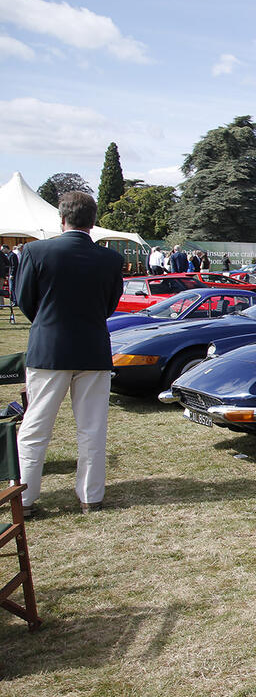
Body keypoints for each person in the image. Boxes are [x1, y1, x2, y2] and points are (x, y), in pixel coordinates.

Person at [15, 192, 123, 516]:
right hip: (92, 348)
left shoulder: (35, 251)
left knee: (35, 428)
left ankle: (25, 499)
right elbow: (109, 305)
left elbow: (24, 299)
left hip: (49, 350)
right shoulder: (110, 259)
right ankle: (91, 496)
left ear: (61, 219)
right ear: (92, 222)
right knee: (92, 428)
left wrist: (50, 323)